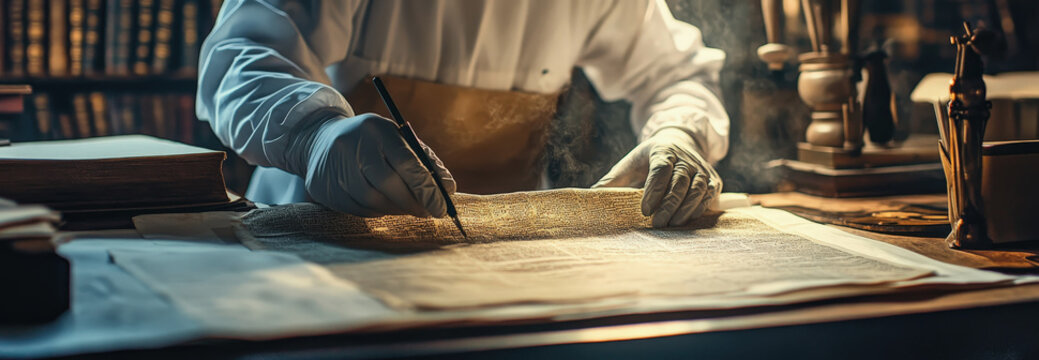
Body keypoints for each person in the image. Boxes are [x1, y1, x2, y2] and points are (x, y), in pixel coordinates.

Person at [197, 0, 729, 227]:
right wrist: (314, 135)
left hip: (511, 257)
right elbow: (239, 59)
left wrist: (680, 132)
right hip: (331, 238)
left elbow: (676, 75)